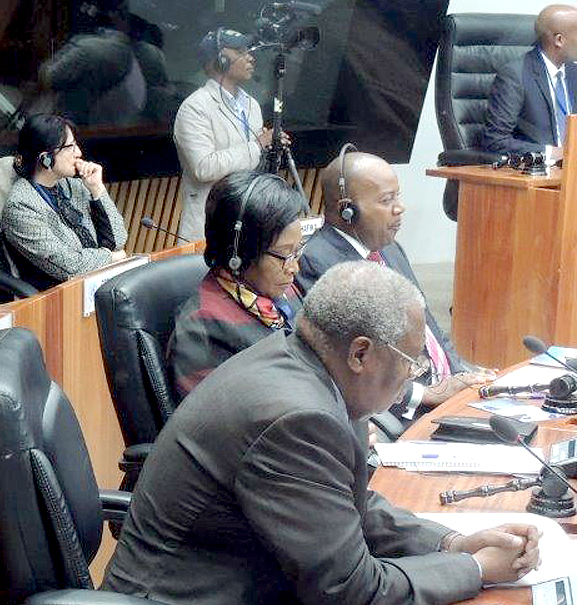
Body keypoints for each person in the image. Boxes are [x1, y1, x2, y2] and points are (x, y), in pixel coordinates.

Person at [102, 261, 540, 605]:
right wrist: (474, 569)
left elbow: (349, 503)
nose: (416, 376)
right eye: (412, 362)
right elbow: (348, 588)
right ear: (360, 354)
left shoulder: (309, 369)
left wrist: (451, 543)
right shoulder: (296, 416)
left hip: (244, 603)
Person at [295, 147, 493, 420]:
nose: (400, 208)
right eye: (387, 200)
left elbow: (429, 328)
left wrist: (460, 373)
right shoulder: (319, 264)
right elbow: (347, 368)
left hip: (441, 393)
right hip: (396, 412)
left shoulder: (389, 249)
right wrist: (428, 394)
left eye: (396, 196)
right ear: (347, 211)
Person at [169, 171, 310, 397]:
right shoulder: (202, 328)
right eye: (284, 255)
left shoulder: (283, 291)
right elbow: (223, 423)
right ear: (240, 252)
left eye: (297, 251)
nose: (294, 268)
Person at [173, 28, 279, 242]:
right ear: (220, 60)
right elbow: (204, 167)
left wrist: (270, 146)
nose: (250, 57)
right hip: (208, 226)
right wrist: (257, 145)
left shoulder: (251, 105)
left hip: (247, 221)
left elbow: (252, 160)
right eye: (241, 51)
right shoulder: (195, 107)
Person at [0, 114, 128, 289]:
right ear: (46, 158)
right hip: (58, 300)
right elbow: (70, 267)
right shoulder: (21, 207)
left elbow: (118, 240)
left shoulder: (74, 185)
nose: (79, 153)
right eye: (70, 147)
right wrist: (111, 257)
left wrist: (97, 188)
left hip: (97, 286)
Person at [484, 4, 577, 160]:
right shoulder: (515, 75)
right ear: (559, 40)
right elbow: (495, 141)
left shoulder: (574, 73)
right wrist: (554, 153)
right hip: (540, 175)